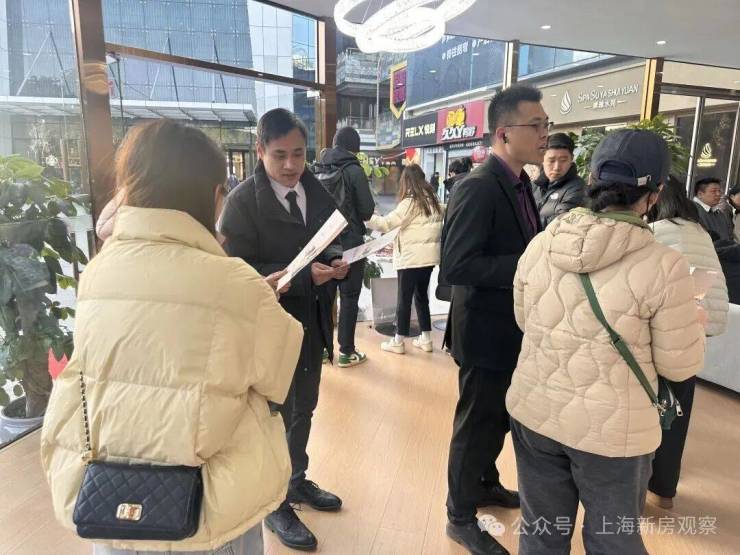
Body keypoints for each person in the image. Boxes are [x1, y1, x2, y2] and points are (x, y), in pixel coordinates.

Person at [40, 119, 303, 554]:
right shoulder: (235, 283)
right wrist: (258, 299)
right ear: (215, 196)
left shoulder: (99, 272)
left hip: (108, 500)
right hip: (206, 510)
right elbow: (278, 376)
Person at [506, 129, 706, 555]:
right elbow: (679, 366)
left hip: (535, 411)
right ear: (654, 195)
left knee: (541, 533)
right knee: (613, 540)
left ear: (592, 180)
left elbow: (525, 320)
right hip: (615, 432)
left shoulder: (542, 244)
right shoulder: (666, 266)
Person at [219, 108, 349, 552]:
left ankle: (295, 479)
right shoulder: (242, 203)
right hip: (269, 327)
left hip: (312, 319)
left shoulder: (316, 190)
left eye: (298, 153)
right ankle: (273, 501)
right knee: (275, 413)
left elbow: (334, 237)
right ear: (260, 151)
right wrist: (300, 274)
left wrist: (337, 261)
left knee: (305, 406)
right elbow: (235, 271)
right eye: (280, 156)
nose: (291, 165)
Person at [441, 85, 547, 555]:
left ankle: (485, 483)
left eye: (546, 124)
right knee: (477, 424)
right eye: (535, 125)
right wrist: (528, 263)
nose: (544, 134)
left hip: (510, 329)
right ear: (504, 133)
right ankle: (460, 516)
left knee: (497, 419)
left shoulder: (522, 184)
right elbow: (457, 265)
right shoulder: (479, 186)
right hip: (484, 331)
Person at [647, 176, 728, 509]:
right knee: (677, 414)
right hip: (693, 336)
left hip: (658, 338)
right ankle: (665, 490)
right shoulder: (700, 232)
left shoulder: (652, 232)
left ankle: (637, 488)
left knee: (647, 414)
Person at [365, 164, 443, 354]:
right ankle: (426, 339)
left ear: (406, 182)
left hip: (410, 259)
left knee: (404, 300)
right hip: (428, 259)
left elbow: (386, 224)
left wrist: (366, 217)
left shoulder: (410, 202)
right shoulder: (433, 201)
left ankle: (398, 341)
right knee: (422, 298)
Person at [318, 126, 376, 368]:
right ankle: (346, 352)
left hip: (324, 242)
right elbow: (366, 210)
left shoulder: (318, 168)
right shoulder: (353, 170)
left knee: (324, 297)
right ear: (356, 148)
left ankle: (322, 349)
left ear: (334, 143)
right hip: (350, 242)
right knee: (350, 297)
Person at [532, 132, 585, 227]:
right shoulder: (534, 186)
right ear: (542, 159)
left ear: (571, 159)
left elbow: (559, 223)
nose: (557, 167)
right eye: (551, 161)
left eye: (563, 160)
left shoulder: (578, 188)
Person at [693, 177, 734, 242]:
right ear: (700, 194)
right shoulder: (692, 211)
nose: (718, 194)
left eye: (719, 191)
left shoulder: (719, 213)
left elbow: (729, 236)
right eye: (713, 191)